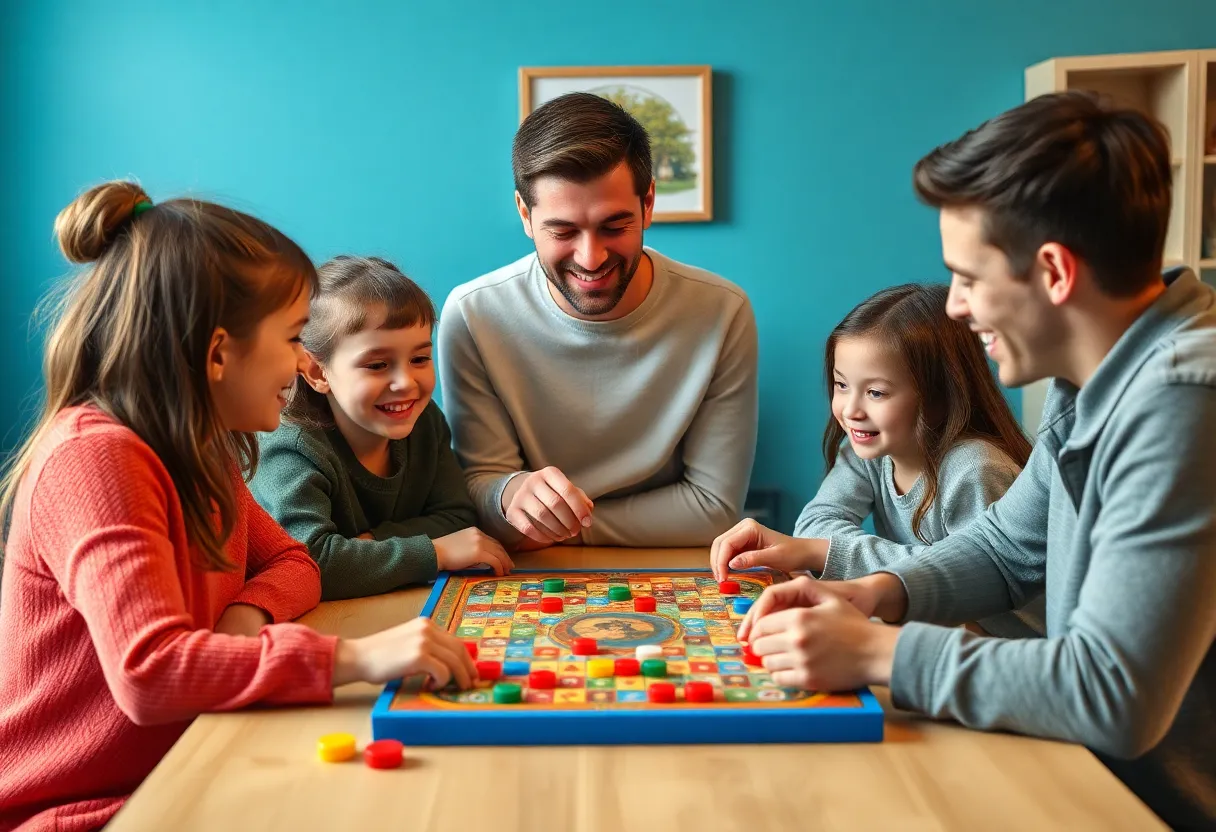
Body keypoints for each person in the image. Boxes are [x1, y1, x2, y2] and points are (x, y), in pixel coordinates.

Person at [729, 93, 1216, 829]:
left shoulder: (1183, 400)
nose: (954, 306)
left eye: (968, 276)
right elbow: (1008, 546)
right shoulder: (1097, 374)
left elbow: (1113, 693)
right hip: (1077, 769)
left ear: (1053, 272)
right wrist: (877, 593)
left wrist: (876, 653)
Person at [0, 182, 477, 832]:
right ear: (219, 352)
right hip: (91, 810)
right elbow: (151, 673)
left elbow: (291, 560)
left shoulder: (200, 446)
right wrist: (356, 658)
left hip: (195, 758)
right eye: (289, 339)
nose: (300, 361)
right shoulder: (96, 459)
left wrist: (243, 618)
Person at [438, 92, 758, 549]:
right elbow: (480, 490)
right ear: (525, 215)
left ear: (648, 203)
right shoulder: (472, 314)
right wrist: (508, 492)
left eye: (614, 226)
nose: (591, 258)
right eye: (563, 231)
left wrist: (550, 527)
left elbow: (714, 509)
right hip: (529, 573)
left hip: (666, 565)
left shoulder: (723, 312)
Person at [711, 283, 1042, 637]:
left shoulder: (976, 470)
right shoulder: (867, 450)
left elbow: (966, 583)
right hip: (929, 631)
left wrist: (822, 553)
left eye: (876, 392)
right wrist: (816, 549)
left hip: (999, 650)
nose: (851, 410)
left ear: (940, 395)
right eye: (841, 385)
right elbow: (816, 523)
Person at [252, 255, 512, 600]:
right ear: (317, 373)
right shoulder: (290, 445)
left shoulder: (423, 420)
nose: (405, 383)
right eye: (377, 365)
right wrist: (436, 552)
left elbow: (458, 517)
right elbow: (307, 564)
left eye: (419, 359)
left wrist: (371, 544)